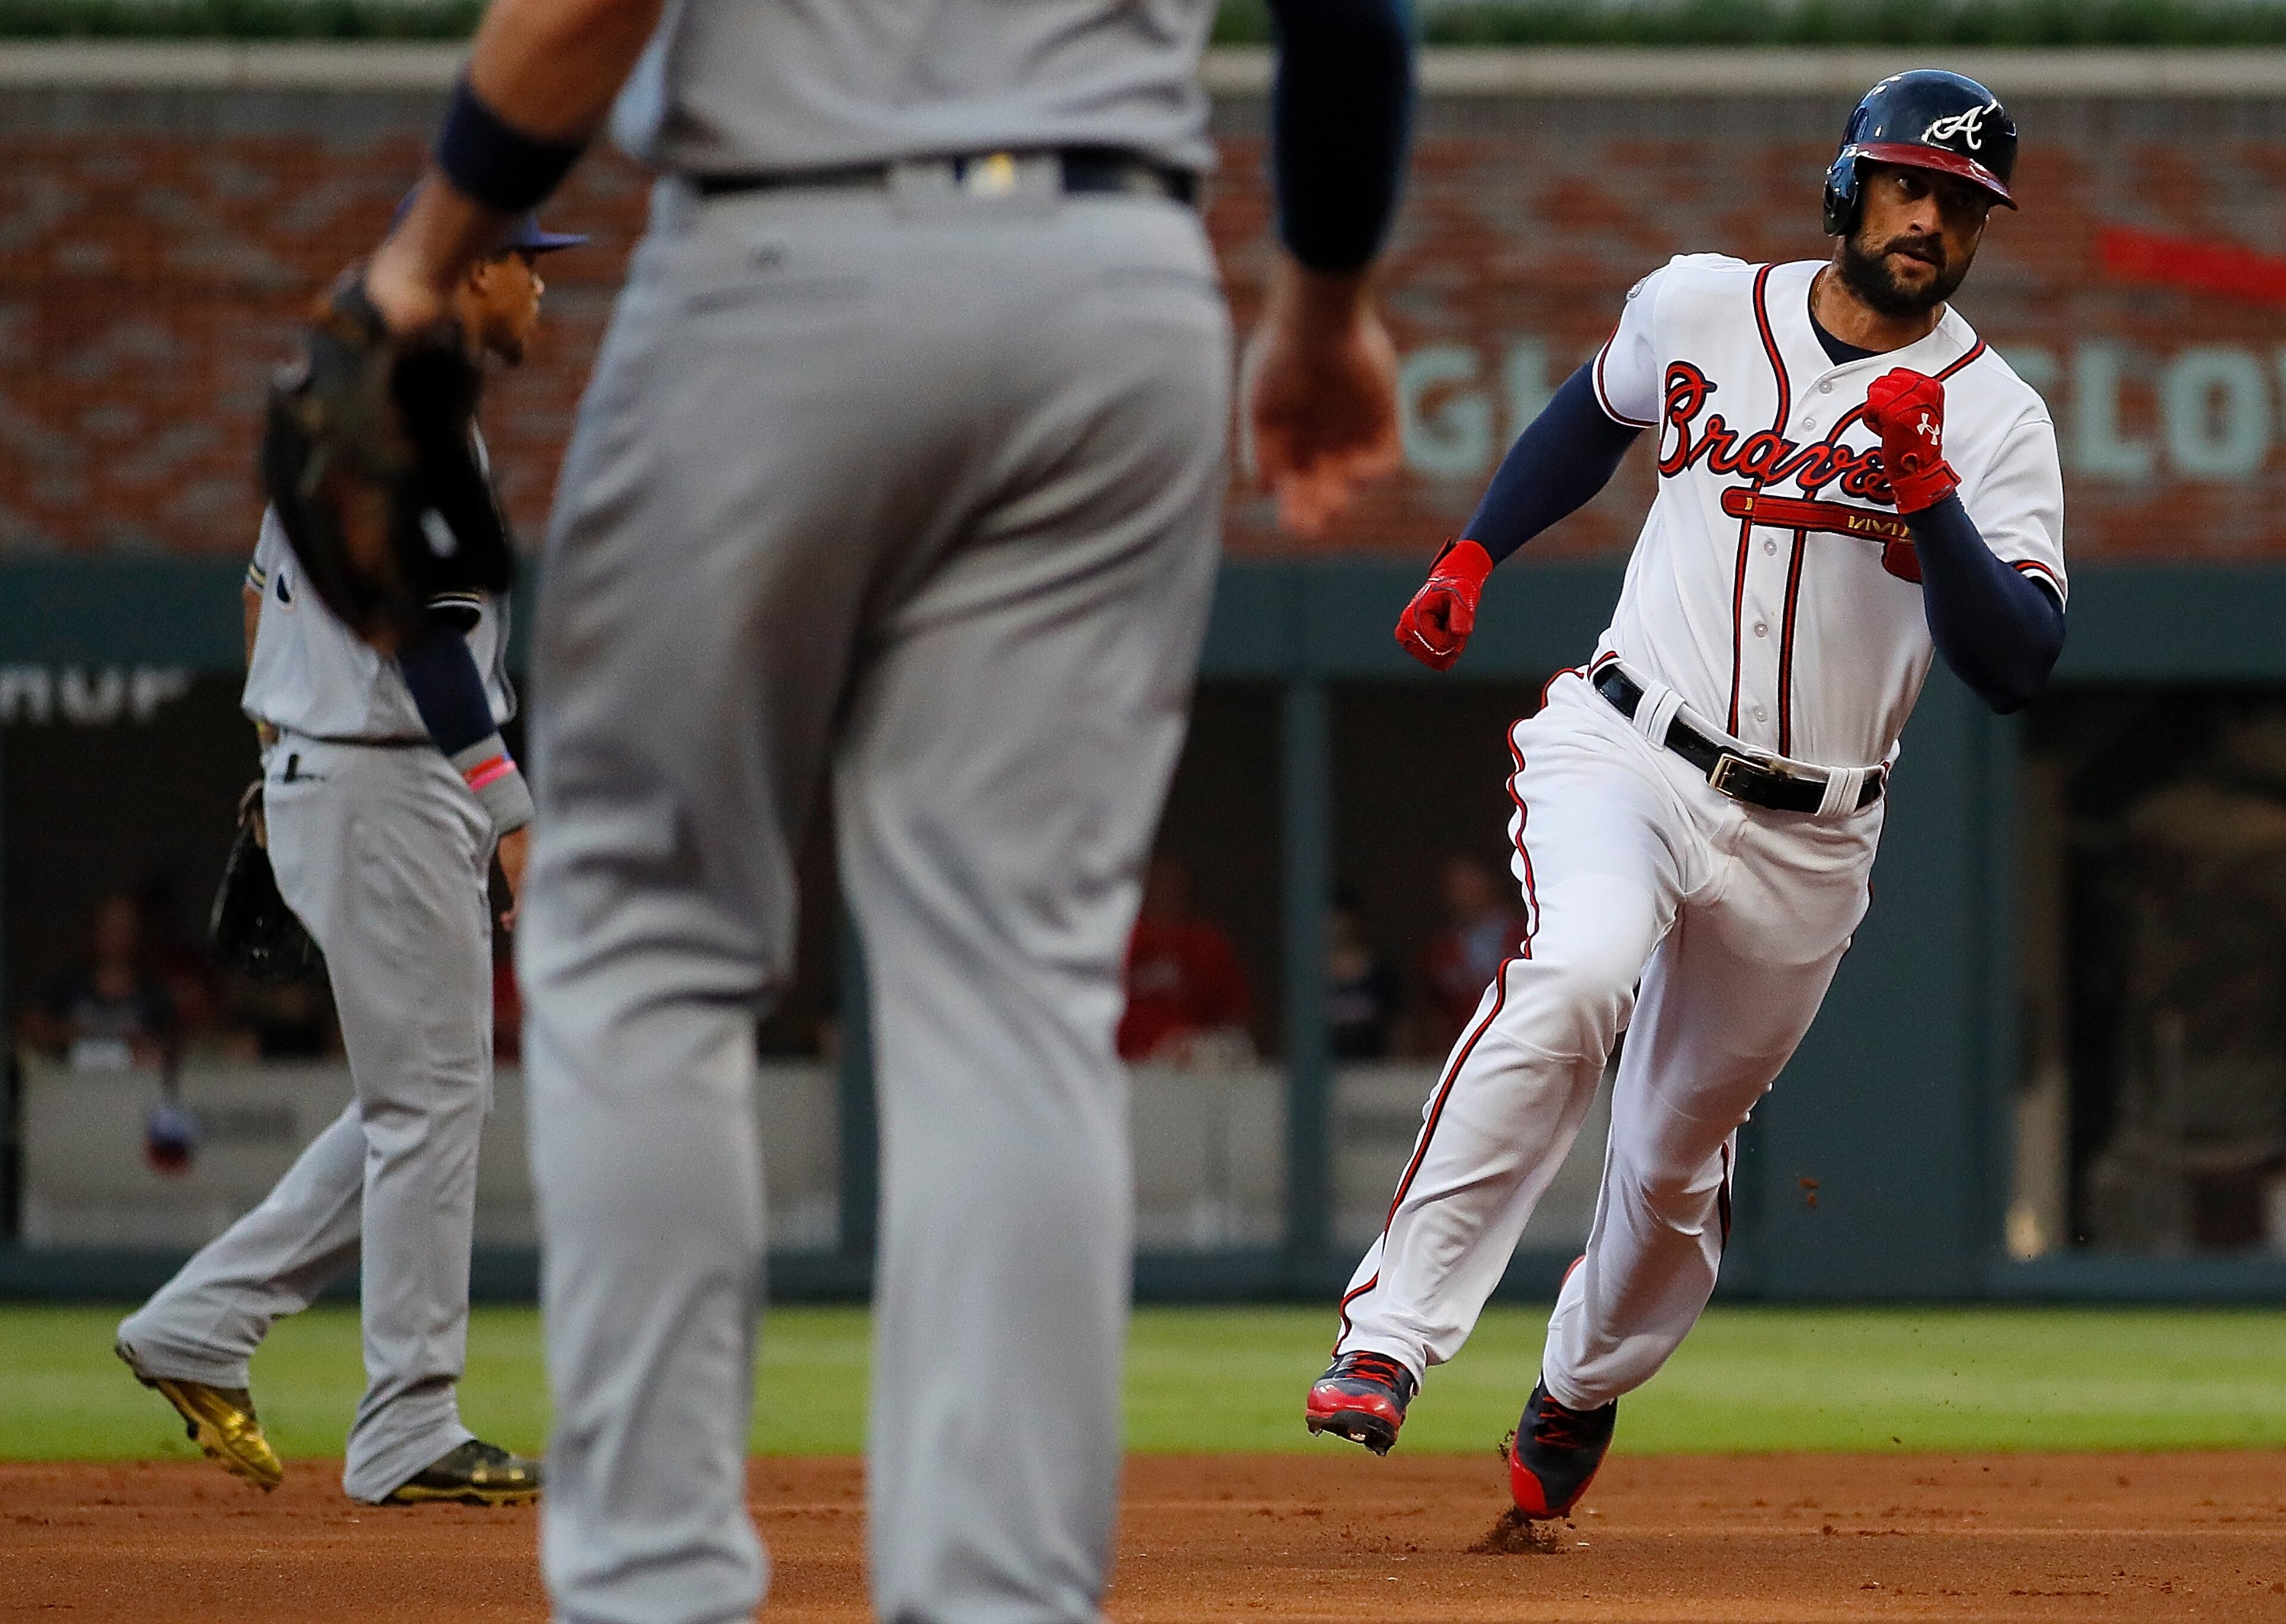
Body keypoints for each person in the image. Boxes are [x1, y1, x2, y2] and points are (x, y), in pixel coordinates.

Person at [336, 0, 1411, 1613]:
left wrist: (422, 254)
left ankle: (651, 1586)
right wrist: (1325, 300)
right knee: (1018, 986)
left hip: (782, 255)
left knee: (641, 934)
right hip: (1110, 278)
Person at [1306, 71, 2066, 1522]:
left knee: (1665, 1167)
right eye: (1907, 184)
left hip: (1810, 833)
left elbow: (2016, 661)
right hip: (1631, 749)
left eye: (1960, 202)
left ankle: (1577, 1388)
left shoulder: (1993, 418)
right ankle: (1388, 1336)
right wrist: (1475, 551)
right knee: (1575, 969)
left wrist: (1928, 495)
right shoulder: (1701, 304)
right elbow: (1594, 413)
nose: (1929, 217)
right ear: (1844, 187)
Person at [114, 209, 585, 1505]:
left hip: (348, 770)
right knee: (433, 1101)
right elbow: (424, 639)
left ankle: (200, 1323)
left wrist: (279, 758)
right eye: (530, 265)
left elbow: (263, 596)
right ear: (474, 271)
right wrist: (512, 810)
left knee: (419, 1099)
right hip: (389, 774)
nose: (542, 291)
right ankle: (406, 1423)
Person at [1120, 855, 1255, 1066]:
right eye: (1157, 881)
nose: (1164, 890)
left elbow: (1233, 1018)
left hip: (1191, 1067)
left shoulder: (1207, 945)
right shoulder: (1120, 941)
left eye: (1172, 883)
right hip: (1127, 1064)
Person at [18, 893, 176, 1071]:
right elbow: (30, 1024)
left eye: (125, 929)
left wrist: (145, 1044)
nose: (117, 937)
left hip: (133, 1089)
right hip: (71, 1088)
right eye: (111, 928)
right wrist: (63, 1033)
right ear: (95, 931)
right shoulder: (69, 984)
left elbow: (173, 1044)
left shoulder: (153, 993)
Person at [1413, 854, 1529, 1057]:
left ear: (1491, 882)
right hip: (1460, 1057)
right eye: (1455, 886)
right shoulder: (1440, 951)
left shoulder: (1527, 936)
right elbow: (1430, 1018)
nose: (1463, 892)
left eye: (1470, 882)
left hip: (1521, 1050)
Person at [1328, 891, 1401, 1061]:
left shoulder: (1382, 974)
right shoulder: (1307, 980)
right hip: (1320, 1075)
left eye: (1344, 919)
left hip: (1375, 1075)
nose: (1338, 926)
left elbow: (1399, 1030)